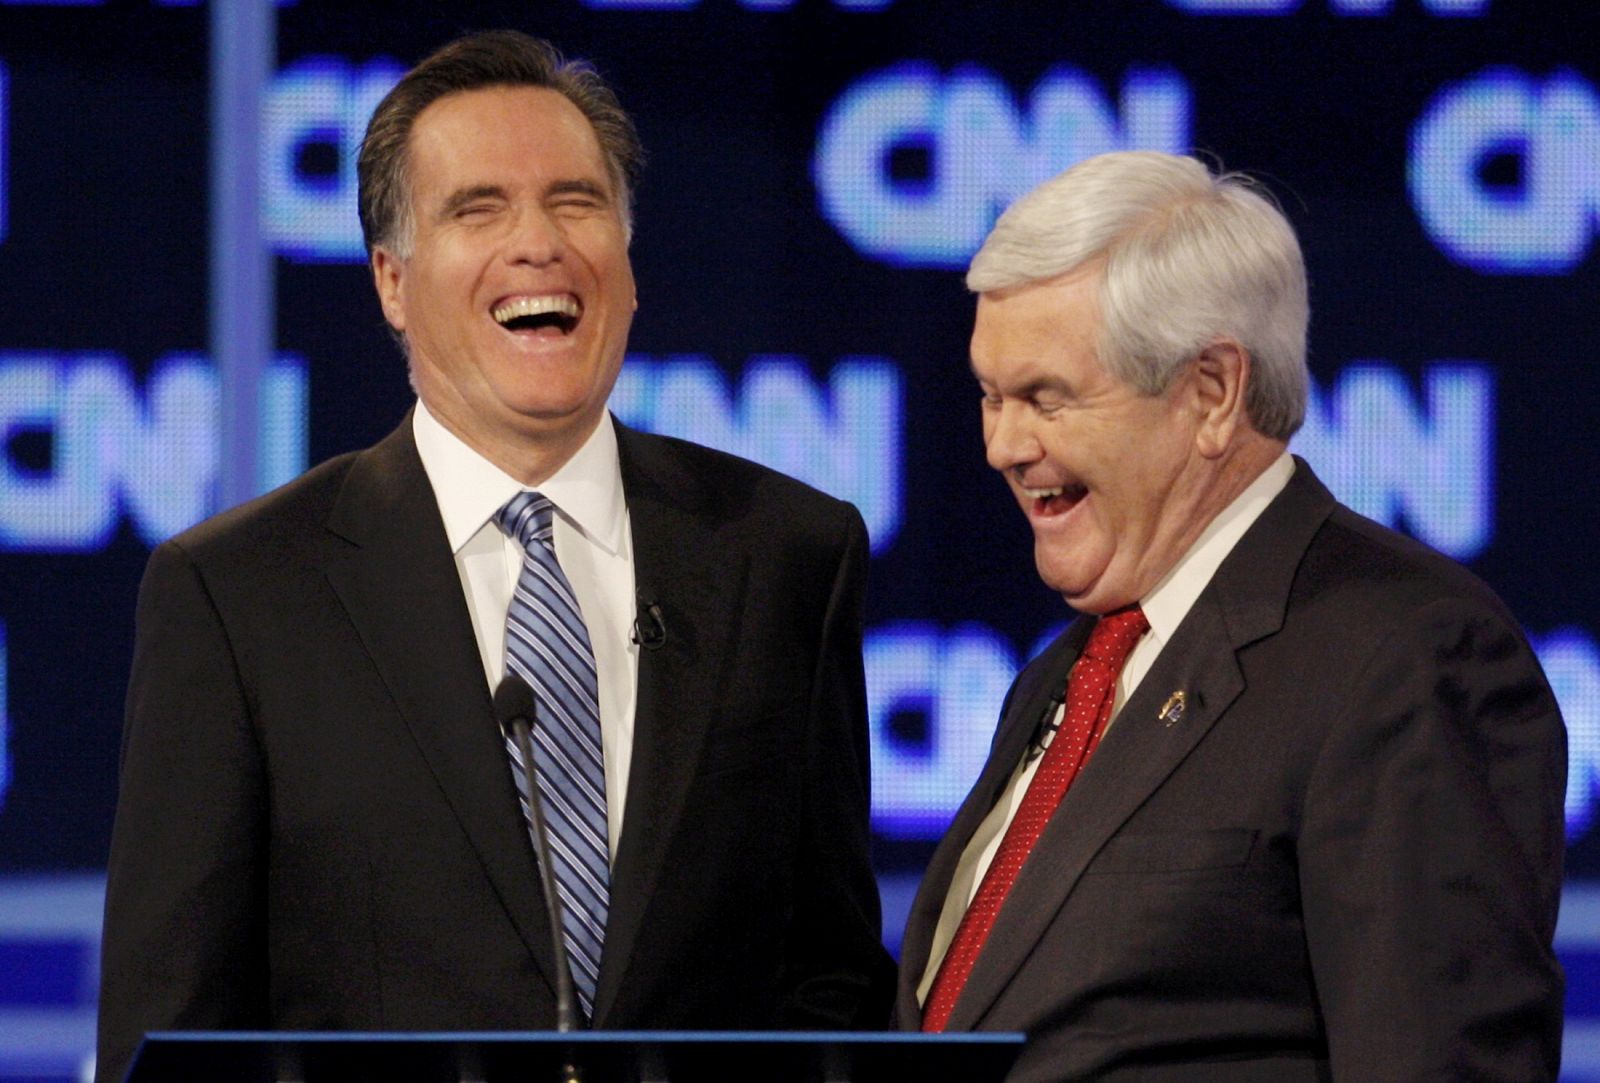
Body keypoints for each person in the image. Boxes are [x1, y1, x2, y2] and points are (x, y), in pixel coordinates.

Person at [97, 30, 892, 1083]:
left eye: (577, 202)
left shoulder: (786, 554)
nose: (539, 245)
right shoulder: (239, 594)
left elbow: (829, 983)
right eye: (478, 209)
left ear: (628, 264)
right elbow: (173, 1038)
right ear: (392, 281)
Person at [897, 150, 1566, 1081]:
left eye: (1047, 398)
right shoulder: (1067, 675)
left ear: (1211, 393)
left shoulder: (1402, 655)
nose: (1003, 445)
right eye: (990, 395)